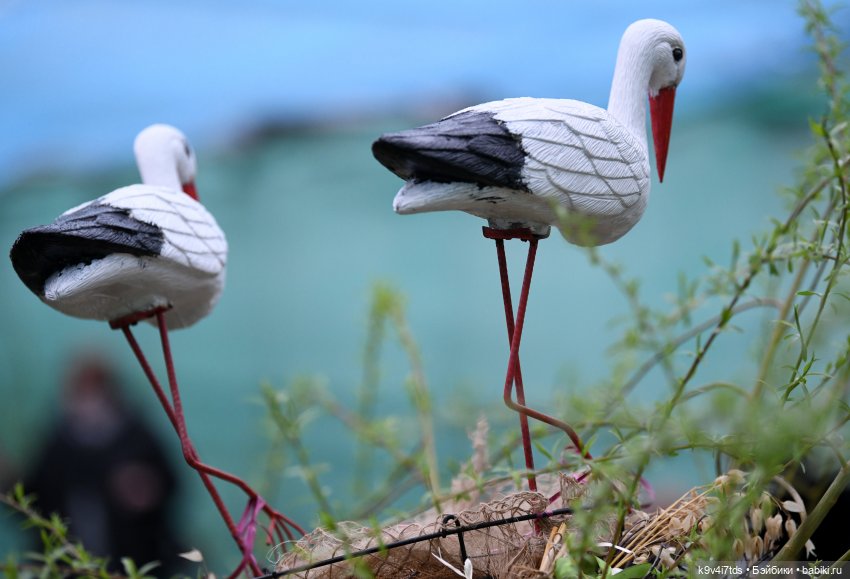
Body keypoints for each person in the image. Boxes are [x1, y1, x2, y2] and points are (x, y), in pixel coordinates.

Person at [24, 351, 186, 574]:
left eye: (95, 386)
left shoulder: (136, 434)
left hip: (134, 560)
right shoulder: (59, 439)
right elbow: (35, 495)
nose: (89, 396)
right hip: (71, 563)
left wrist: (146, 488)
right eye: (82, 386)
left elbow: (171, 483)